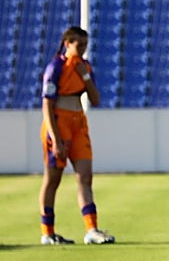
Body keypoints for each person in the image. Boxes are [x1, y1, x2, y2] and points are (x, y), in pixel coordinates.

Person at [38, 25, 116, 245]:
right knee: (53, 179)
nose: (82, 49)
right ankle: (48, 232)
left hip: (78, 123)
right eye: (78, 45)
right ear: (67, 44)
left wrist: (85, 76)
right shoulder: (56, 68)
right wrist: (54, 138)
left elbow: (96, 99)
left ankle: (92, 230)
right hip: (59, 123)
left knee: (85, 177)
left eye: (85, 45)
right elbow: (47, 105)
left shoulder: (84, 67)